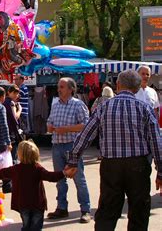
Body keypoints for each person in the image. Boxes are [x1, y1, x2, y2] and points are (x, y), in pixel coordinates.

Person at [67, 69, 162, 231]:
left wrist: (73, 160)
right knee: (139, 213)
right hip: (138, 166)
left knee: (107, 213)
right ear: (138, 88)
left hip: (111, 166)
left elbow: (85, 135)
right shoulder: (144, 108)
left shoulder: (104, 107)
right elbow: (156, 142)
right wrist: (160, 172)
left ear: (117, 85)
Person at [0, 141, 70, 231]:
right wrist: (64, 173)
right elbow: (51, 176)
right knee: (36, 227)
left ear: (20, 155)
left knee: (26, 225)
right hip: (37, 204)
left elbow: (1, 173)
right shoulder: (37, 168)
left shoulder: (16, 169)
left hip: (22, 204)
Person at [46, 77, 91, 223]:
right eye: (59, 87)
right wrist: (50, 127)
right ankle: (62, 208)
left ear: (71, 89)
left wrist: (66, 129)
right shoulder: (55, 104)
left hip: (72, 146)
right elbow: (49, 121)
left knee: (79, 179)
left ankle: (85, 210)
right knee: (60, 180)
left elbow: (85, 125)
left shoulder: (78, 105)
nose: (59, 89)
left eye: (62, 87)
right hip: (57, 145)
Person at [3, 84, 23, 163]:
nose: (16, 95)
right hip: (11, 133)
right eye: (14, 93)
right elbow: (15, 117)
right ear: (9, 92)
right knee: (13, 158)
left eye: (17, 93)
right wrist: (20, 109)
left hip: (5, 132)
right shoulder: (11, 103)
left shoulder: (3, 102)